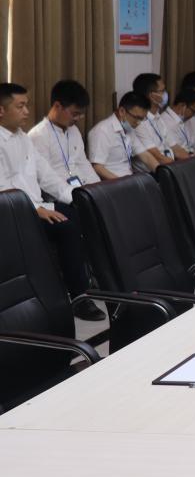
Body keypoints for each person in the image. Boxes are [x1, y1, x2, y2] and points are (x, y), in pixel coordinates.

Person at [0, 82, 101, 320]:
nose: (27, 111)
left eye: (27, 105)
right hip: (12, 213)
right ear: (1, 110)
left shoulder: (22, 138)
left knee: (83, 213)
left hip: (35, 206)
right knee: (67, 227)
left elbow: (47, 176)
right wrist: (35, 209)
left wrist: (78, 197)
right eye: (20, 106)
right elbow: (3, 189)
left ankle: (98, 281)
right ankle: (78, 296)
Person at [28, 80, 100, 191]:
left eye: (81, 114)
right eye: (75, 114)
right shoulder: (38, 135)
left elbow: (83, 164)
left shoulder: (74, 130)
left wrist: (99, 188)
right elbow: (45, 178)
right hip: (59, 194)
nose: (78, 118)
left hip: (82, 189)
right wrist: (73, 195)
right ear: (57, 106)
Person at [130, 72, 189, 171]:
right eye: (162, 91)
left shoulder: (158, 117)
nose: (165, 94)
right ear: (151, 95)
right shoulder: (138, 122)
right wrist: (180, 170)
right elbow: (158, 157)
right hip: (154, 173)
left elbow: (175, 148)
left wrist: (193, 162)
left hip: (170, 166)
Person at [87, 92, 150, 180]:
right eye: (136, 118)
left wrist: (162, 172)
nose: (138, 123)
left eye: (142, 119)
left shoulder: (128, 128)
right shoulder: (102, 131)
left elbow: (145, 156)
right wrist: (122, 183)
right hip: (113, 183)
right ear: (122, 111)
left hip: (129, 178)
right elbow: (97, 167)